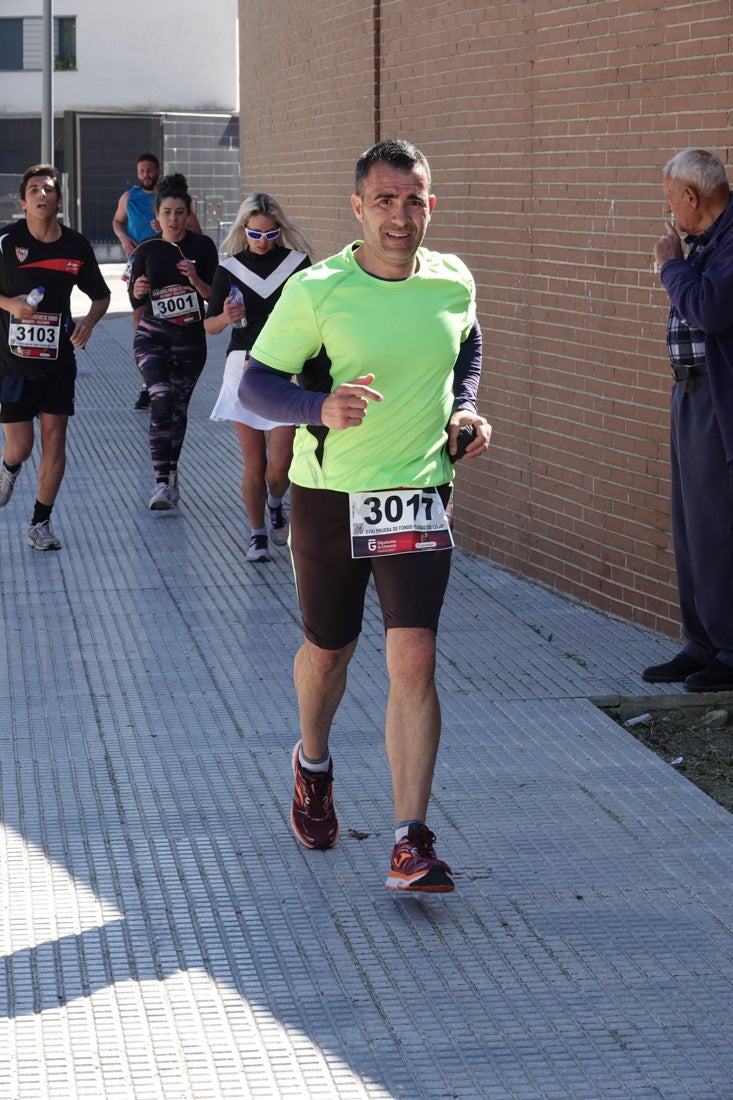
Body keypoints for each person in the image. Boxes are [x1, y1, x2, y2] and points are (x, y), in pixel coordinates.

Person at [239, 139, 491, 892]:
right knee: (329, 651)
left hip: (417, 490)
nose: (399, 215)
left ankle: (410, 839)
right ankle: (311, 763)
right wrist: (318, 405)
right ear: (358, 208)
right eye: (383, 200)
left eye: (413, 200)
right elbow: (254, 386)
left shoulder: (451, 280)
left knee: (413, 656)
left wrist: (467, 408)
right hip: (328, 495)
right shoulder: (319, 289)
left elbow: (466, 342)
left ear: (430, 206)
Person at [642, 147, 733, 693]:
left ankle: (727, 649)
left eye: (670, 200)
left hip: (718, 402)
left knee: (717, 526)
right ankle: (700, 642)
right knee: (688, 523)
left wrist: (670, 263)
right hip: (690, 393)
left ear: (691, 198)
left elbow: (710, 309)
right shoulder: (708, 239)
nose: (669, 211)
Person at [0, 164, 110, 549]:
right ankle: (9, 466)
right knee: (21, 446)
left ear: (59, 200)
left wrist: (89, 323)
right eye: (34, 190)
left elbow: (102, 296)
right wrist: (9, 304)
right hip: (11, 363)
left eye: (48, 189)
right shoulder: (5, 241)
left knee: (55, 441)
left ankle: (40, 524)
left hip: (58, 362)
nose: (41, 195)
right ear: (22, 201)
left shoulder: (76, 246)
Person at [205, 193, 312, 562]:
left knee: (279, 465)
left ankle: (275, 501)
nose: (262, 241)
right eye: (254, 234)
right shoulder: (229, 268)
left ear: (279, 231)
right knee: (254, 462)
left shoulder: (299, 265)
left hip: (286, 368)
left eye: (269, 234)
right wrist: (226, 316)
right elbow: (210, 326)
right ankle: (257, 536)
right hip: (243, 365)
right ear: (243, 230)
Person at [128, 173, 218, 510]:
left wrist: (195, 279)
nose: (174, 219)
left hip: (189, 342)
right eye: (167, 212)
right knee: (161, 400)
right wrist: (138, 291)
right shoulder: (147, 248)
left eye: (180, 212)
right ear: (158, 216)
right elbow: (135, 297)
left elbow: (215, 299)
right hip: (152, 336)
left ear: (188, 213)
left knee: (177, 411)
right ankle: (160, 483)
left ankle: (172, 472)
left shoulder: (203, 247)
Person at [113, 153, 203, 409]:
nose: (145, 175)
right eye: (141, 170)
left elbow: (197, 234)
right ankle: (148, 382)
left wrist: (168, 229)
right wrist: (122, 237)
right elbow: (117, 221)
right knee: (139, 316)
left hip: (168, 265)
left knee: (167, 319)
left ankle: (170, 373)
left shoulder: (169, 197)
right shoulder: (128, 196)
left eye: (150, 170)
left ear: (157, 171)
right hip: (138, 262)